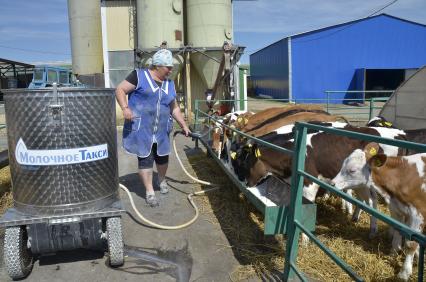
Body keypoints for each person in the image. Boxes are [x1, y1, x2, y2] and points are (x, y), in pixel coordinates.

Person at [115, 49, 190, 207]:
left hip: (162, 130)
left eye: (171, 67)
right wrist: (125, 108)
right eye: (168, 67)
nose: (171, 70)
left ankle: (161, 181)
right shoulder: (139, 76)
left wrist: (183, 125)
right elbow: (120, 89)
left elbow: (174, 107)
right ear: (157, 66)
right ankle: (149, 192)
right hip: (142, 129)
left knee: (163, 157)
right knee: (146, 159)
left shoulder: (169, 83)